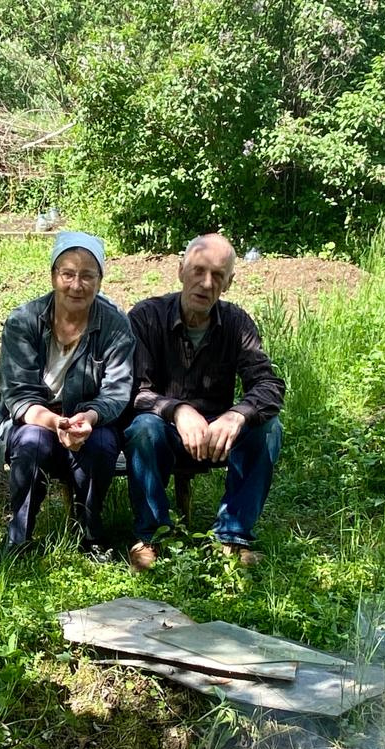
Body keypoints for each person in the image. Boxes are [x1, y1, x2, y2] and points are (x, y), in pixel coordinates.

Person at [123, 233, 284, 572]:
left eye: (217, 276)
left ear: (229, 282)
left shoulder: (237, 323)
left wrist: (238, 415)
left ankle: (232, 538)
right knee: (143, 428)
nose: (206, 283)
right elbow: (134, 391)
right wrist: (177, 410)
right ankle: (152, 536)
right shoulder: (147, 317)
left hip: (216, 437)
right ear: (181, 270)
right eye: (198, 270)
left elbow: (269, 384)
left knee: (268, 428)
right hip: (165, 432)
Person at [0, 231, 135, 566]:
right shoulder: (23, 321)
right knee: (31, 442)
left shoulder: (114, 324)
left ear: (100, 280)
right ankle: (18, 537)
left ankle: (92, 534)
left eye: (87, 276)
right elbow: (17, 394)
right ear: (53, 276)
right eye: (67, 274)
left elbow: (118, 388)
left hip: (90, 418)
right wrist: (56, 422)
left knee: (102, 444)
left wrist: (89, 418)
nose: (76, 285)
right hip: (38, 418)